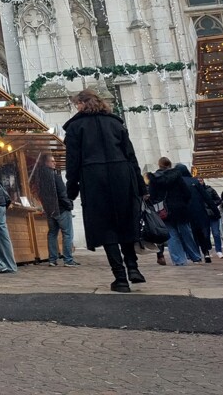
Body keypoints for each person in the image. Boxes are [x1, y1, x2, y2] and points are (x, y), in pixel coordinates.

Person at [63, 89, 146, 293]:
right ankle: (133, 267)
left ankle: (120, 277)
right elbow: (131, 156)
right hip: (122, 174)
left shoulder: (75, 127)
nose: (76, 108)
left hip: (93, 177)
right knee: (125, 221)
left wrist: (71, 189)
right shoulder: (115, 123)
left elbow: (72, 162)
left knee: (106, 226)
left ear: (83, 103)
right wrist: (140, 185)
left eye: (77, 104)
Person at [148, 157, 202, 266]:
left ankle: (179, 260)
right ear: (170, 164)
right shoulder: (177, 176)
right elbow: (186, 192)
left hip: (163, 210)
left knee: (171, 235)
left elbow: (152, 196)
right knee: (186, 232)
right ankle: (195, 256)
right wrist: (183, 202)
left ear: (159, 165)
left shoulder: (154, 179)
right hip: (180, 207)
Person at [31, 152, 77, 266]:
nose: (54, 163)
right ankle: (68, 260)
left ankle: (52, 259)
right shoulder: (55, 176)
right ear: (46, 163)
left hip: (49, 210)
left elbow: (39, 194)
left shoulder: (39, 178)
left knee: (52, 234)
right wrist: (69, 205)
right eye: (52, 161)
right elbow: (62, 194)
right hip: (61, 209)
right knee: (67, 234)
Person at [178, 165, 213, 263]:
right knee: (201, 233)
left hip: (186, 213)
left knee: (192, 234)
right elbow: (206, 197)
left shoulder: (178, 183)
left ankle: (196, 255)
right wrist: (215, 210)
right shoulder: (194, 181)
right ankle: (206, 253)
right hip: (199, 211)